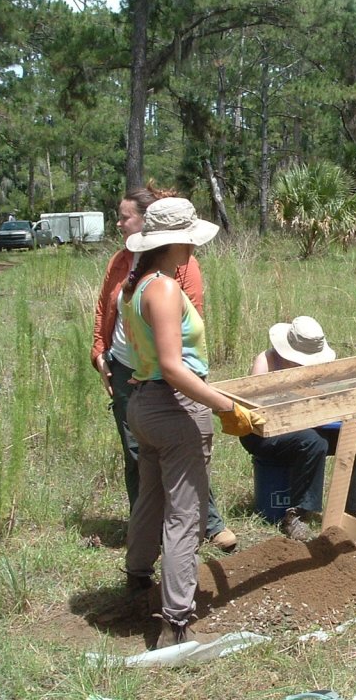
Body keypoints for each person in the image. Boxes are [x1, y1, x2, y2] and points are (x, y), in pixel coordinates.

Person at [121, 197, 263, 648]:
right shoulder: (162, 288)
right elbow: (175, 366)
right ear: (178, 241)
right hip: (174, 407)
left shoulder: (136, 283)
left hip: (145, 404)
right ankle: (176, 621)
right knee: (186, 515)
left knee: (151, 496)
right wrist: (224, 405)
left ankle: (137, 575)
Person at [91, 183, 238, 552]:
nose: (119, 224)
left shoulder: (180, 269)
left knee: (181, 459)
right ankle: (162, 550)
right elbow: (103, 309)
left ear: (146, 223)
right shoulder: (124, 265)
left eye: (125, 217)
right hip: (132, 370)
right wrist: (99, 351)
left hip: (161, 375)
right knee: (144, 456)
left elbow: (186, 328)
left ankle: (204, 524)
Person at [239, 316, 356, 541]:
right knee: (313, 441)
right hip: (262, 433)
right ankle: (297, 514)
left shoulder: (316, 368)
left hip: (305, 425)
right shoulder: (266, 362)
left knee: (351, 438)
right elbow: (256, 412)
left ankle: (351, 511)